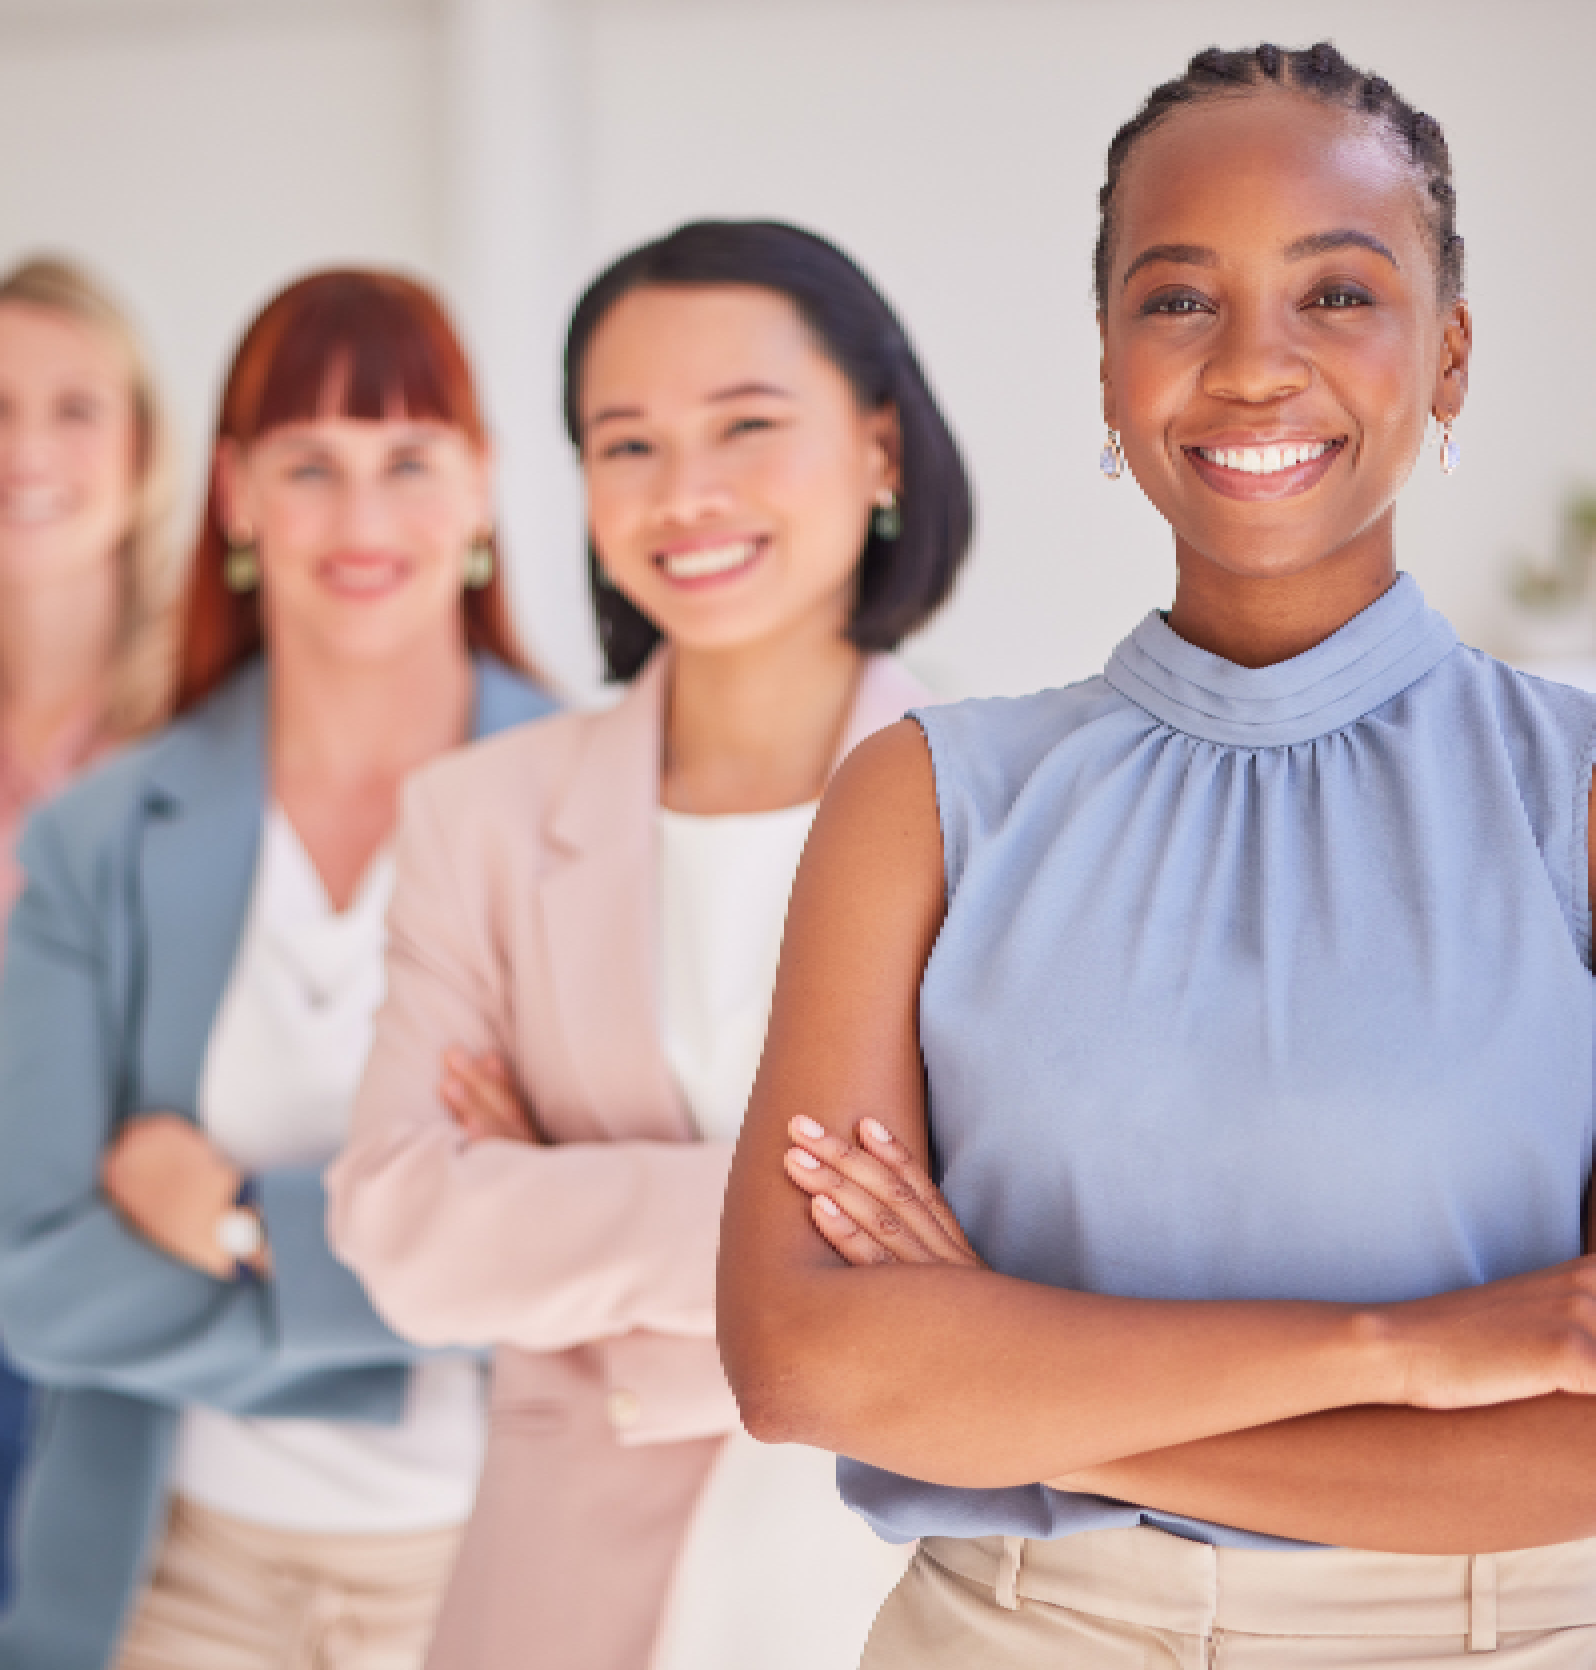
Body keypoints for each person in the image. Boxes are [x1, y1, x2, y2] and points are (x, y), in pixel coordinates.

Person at [719, 41, 1596, 1669]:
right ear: (1109, 364)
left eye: (1339, 295)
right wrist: (1406, 1347)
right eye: (1179, 299)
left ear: (1451, 355)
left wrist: (1008, 1395)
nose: (1255, 364)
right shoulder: (924, 802)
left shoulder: (1581, 793)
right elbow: (799, 1362)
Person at [329, 220, 972, 1670]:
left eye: (746, 423)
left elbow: (1054, 1247)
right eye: (626, 444)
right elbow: (399, 1222)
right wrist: (844, 1253)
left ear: (882, 450)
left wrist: (558, 1198)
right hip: (561, 1598)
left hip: (911, 1586)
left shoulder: (1027, 805)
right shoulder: (479, 816)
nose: (684, 491)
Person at [0, 268, 553, 1670]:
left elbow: (623, 1249)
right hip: (172, 1580)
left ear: (481, 487)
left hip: (505, 1568)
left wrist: (242, 1222)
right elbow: (38, 1277)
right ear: (237, 494)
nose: (362, 520)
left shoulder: (595, 804)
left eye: (408, 461)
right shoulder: (100, 836)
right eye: (310, 463)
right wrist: (442, 1285)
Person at [0, 255, 179, 1609]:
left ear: (142, 447)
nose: (27, 451)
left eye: (72, 407)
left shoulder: (213, 712)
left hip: (134, 1267)